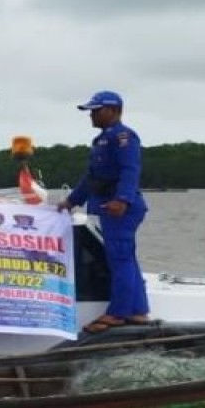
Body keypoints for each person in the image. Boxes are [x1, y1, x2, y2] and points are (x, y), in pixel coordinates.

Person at [56, 90, 150, 333]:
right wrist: (72, 201)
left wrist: (122, 200)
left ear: (113, 110)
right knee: (125, 257)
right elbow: (92, 178)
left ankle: (118, 313)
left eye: (96, 111)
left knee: (119, 258)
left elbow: (131, 170)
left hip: (119, 208)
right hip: (106, 204)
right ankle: (138, 310)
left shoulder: (124, 138)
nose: (91, 116)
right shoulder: (101, 141)